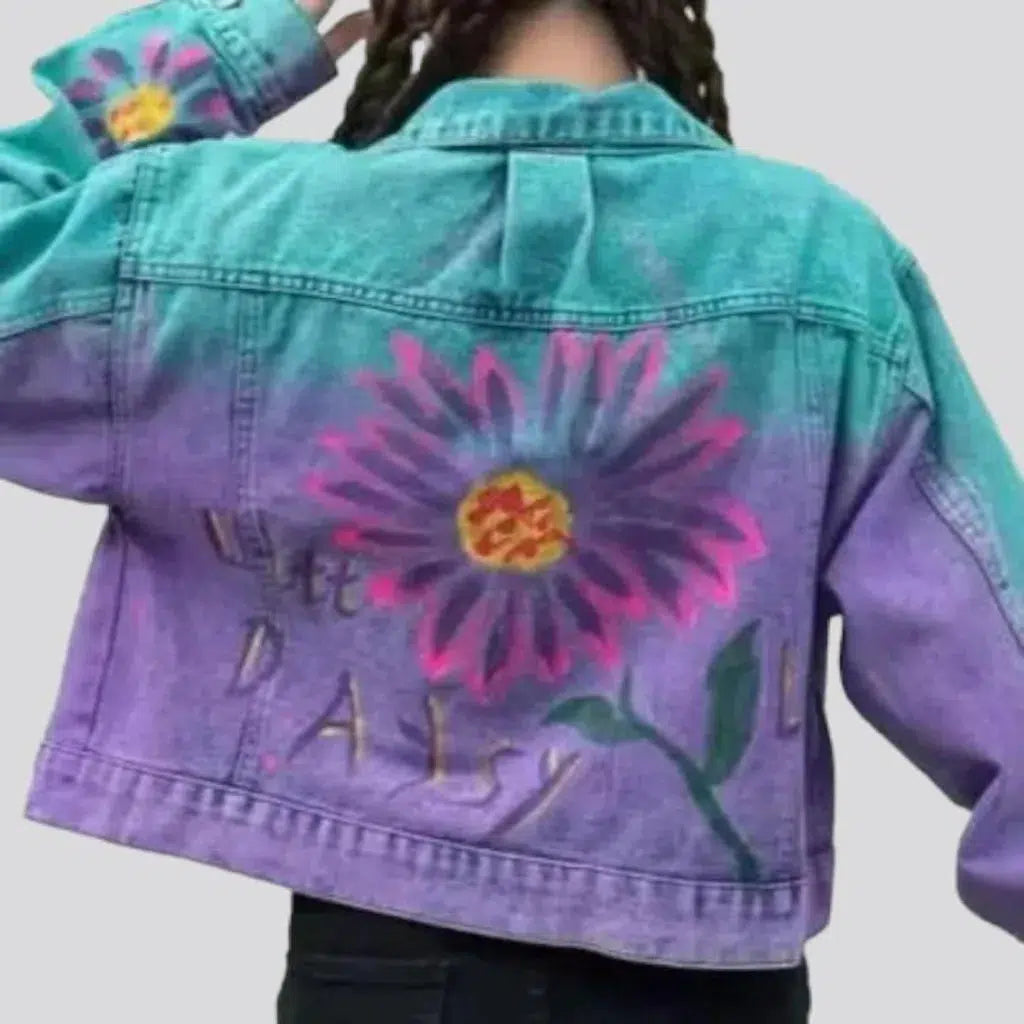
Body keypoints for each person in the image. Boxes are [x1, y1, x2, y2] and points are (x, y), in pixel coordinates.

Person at [1, 0, 1020, 1021]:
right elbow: (989, 645)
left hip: (380, 973)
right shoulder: (815, 261)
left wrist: (230, 46)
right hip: (707, 986)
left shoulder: (233, 233)